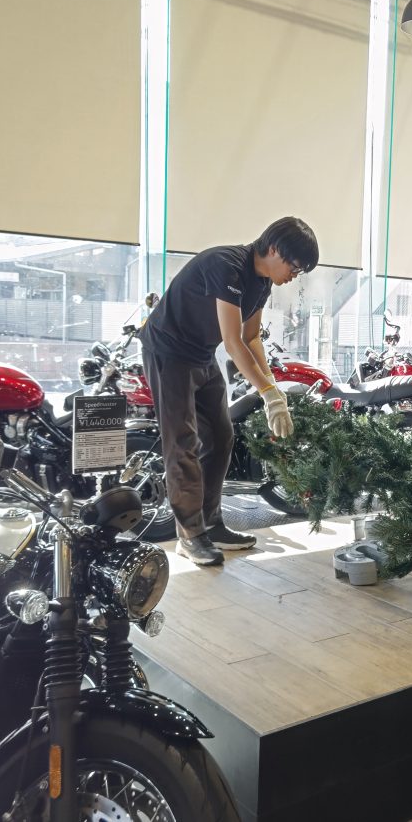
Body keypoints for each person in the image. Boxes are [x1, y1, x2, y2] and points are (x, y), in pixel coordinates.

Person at [139, 217, 318, 566]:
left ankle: (211, 523)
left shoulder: (262, 282)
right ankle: (189, 535)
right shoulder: (227, 266)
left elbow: (252, 338)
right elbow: (234, 342)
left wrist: (274, 391)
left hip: (201, 354)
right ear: (274, 249)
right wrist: (267, 393)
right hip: (168, 352)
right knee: (183, 443)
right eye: (295, 267)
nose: (294, 276)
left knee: (221, 437)